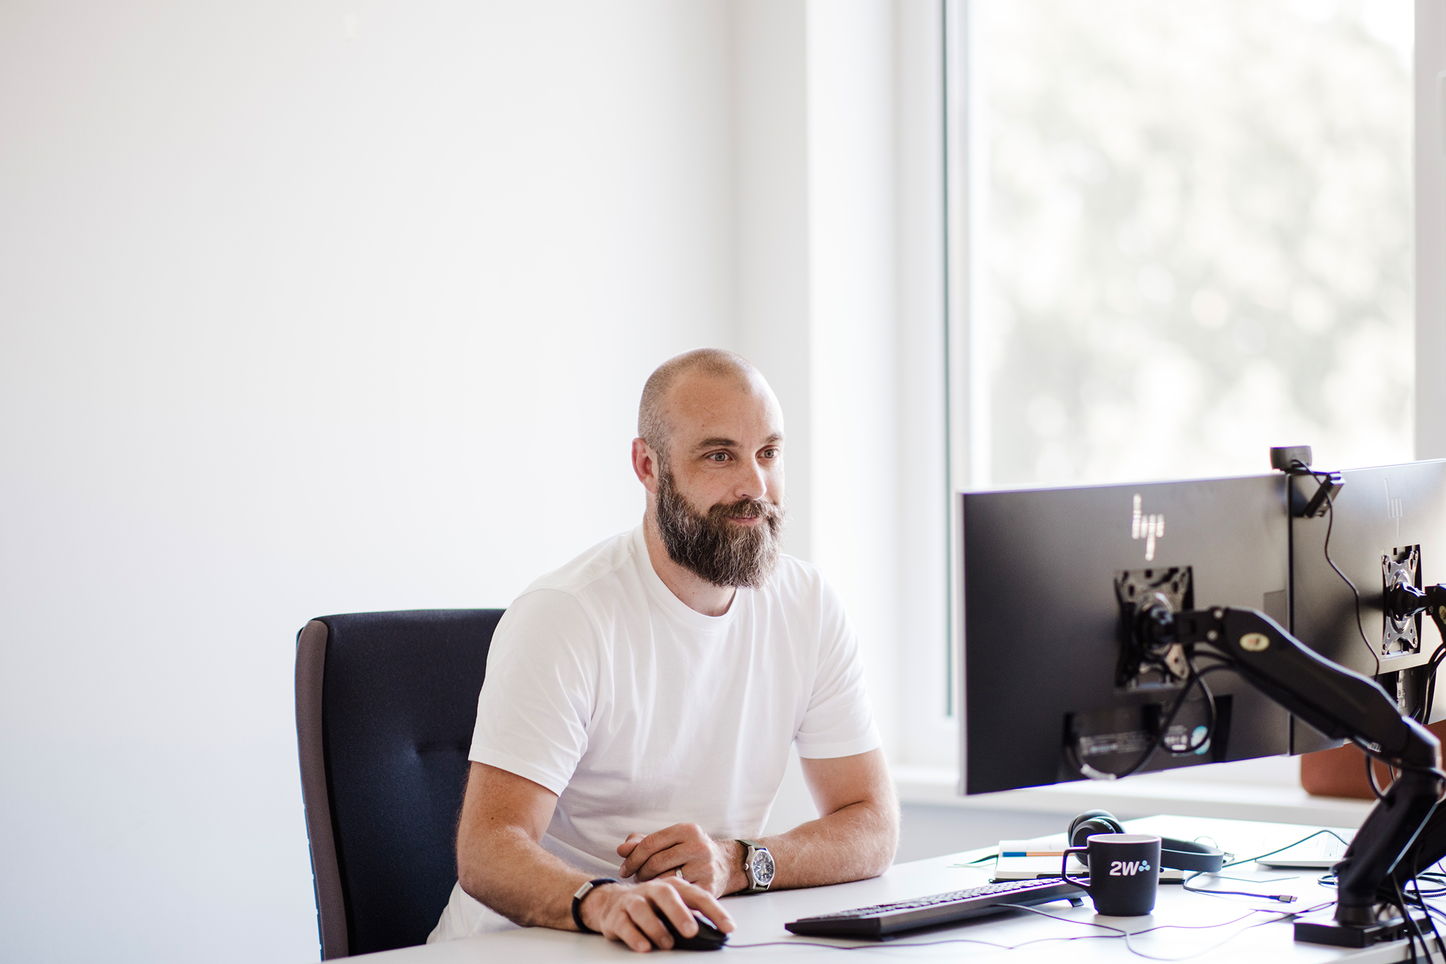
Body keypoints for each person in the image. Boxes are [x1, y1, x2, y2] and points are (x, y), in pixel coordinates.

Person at [429, 348, 899, 952]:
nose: (755, 486)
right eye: (719, 455)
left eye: (768, 453)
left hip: (680, 943)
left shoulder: (808, 604)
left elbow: (872, 823)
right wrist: (605, 901)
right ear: (647, 465)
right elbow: (488, 849)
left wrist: (739, 861)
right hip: (520, 945)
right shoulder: (565, 614)